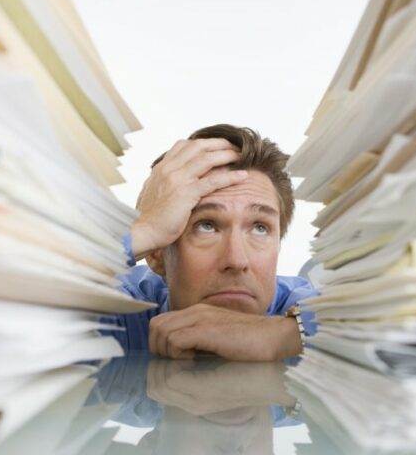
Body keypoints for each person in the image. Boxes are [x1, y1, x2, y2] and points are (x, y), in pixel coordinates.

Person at [107, 124, 318, 361]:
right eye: (206, 226)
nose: (237, 260)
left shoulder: (301, 306)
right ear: (157, 254)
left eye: (260, 228)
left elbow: (365, 323)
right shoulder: (123, 308)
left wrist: (285, 336)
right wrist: (144, 230)